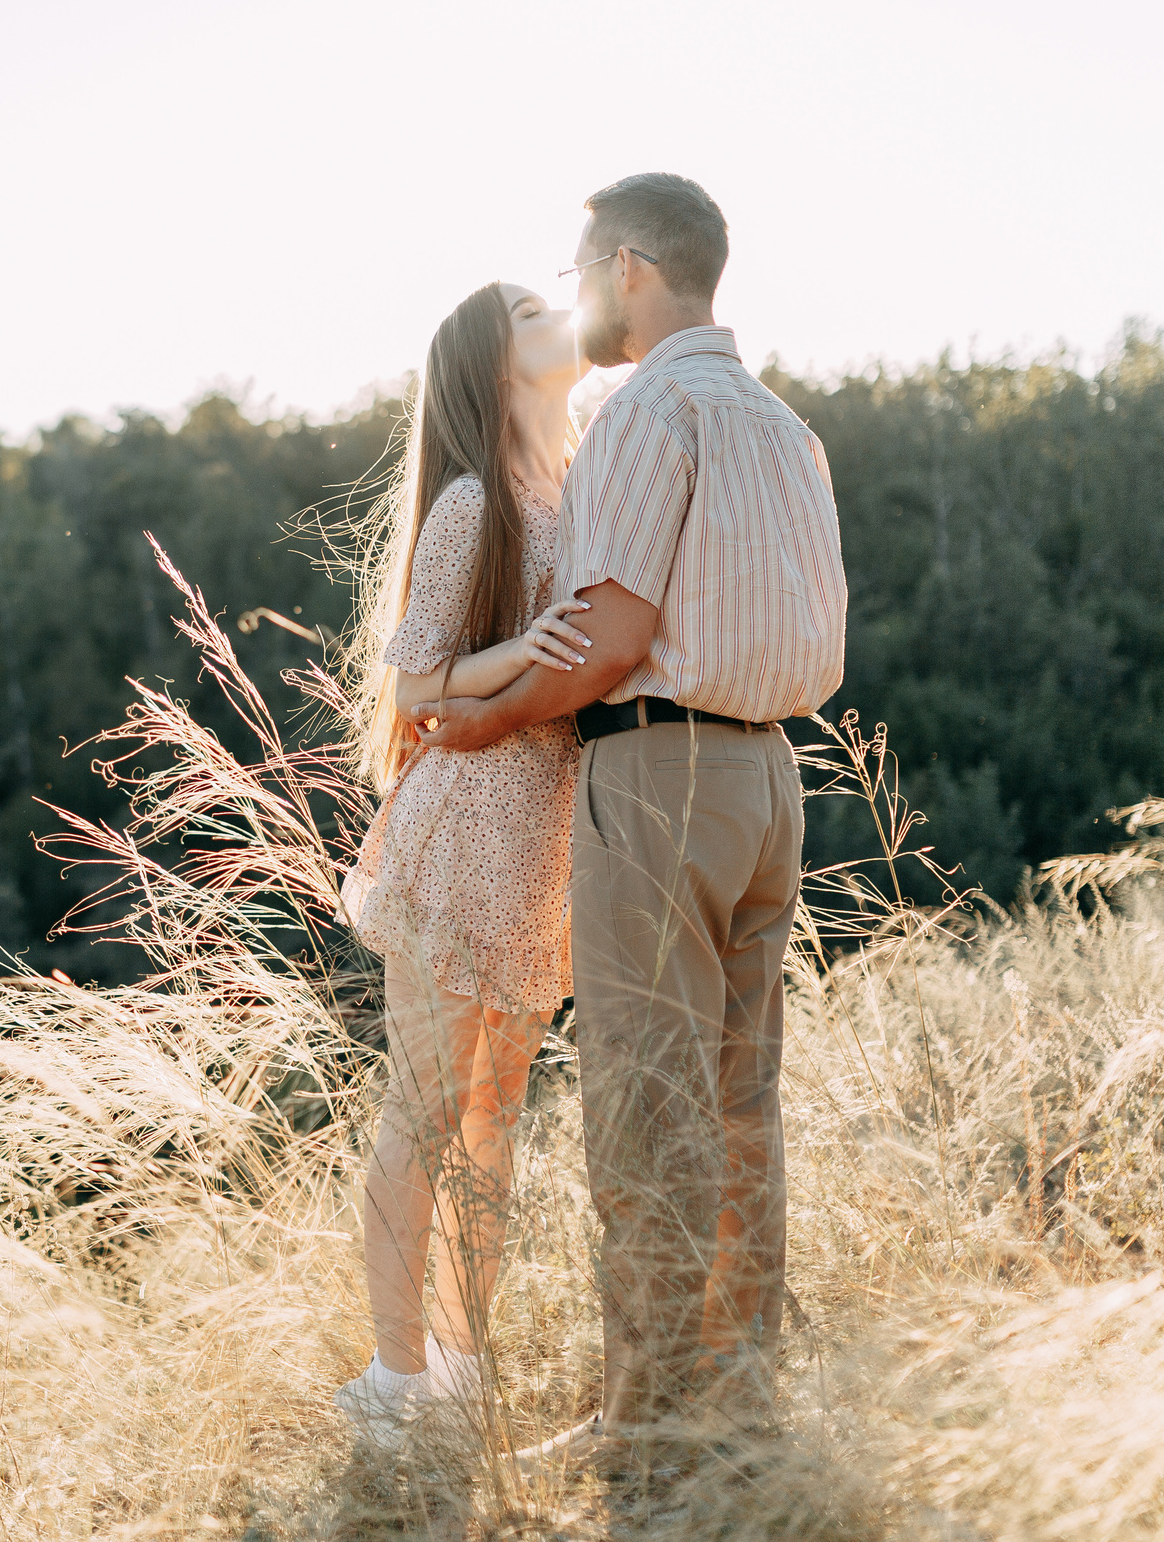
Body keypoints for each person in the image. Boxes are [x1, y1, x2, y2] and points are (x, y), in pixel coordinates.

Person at [413, 174, 848, 1465]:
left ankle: (649, 1426)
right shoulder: (782, 423)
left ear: (637, 267)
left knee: (646, 1107)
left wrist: (487, 719)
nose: (583, 290)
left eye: (588, 266)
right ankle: (739, 1399)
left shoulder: (644, 409)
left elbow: (608, 634)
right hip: (773, 784)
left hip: (659, 778)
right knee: (738, 1102)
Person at [330, 279, 600, 1449]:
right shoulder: (474, 500)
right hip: (463, 830)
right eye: (535, 304)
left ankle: (461, 1363)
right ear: (498, 361)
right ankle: (393, 1383)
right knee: (427, 1111)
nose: (564, 307)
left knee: (497, 1115)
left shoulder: (572, 478)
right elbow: (416, 683)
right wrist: (520, 652)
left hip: (540, 844)